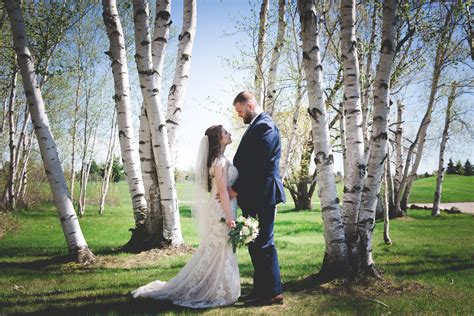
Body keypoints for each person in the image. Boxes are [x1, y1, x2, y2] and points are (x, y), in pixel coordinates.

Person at [132, 125, 240, 308]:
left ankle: (216, 285)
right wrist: (230, 217)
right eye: (225, 133)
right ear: (218, 139)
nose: (229, 134)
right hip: (222, 209)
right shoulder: (220, 162)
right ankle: (217, 288)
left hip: (219, 206)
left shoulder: (217, 160)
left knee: (216, 249)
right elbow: (222, 191)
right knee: (220, 248)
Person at [230, 91, 286, 306]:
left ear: (250, 106)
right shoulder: (257, 124)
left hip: (263, 194)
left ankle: (272, 292)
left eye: (240, 111)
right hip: (255, 194)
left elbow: (258, 164)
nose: (239, 115)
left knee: (263, 243)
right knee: (255, 242)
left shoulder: (265, 126)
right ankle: (260, 290)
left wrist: (237, 189)